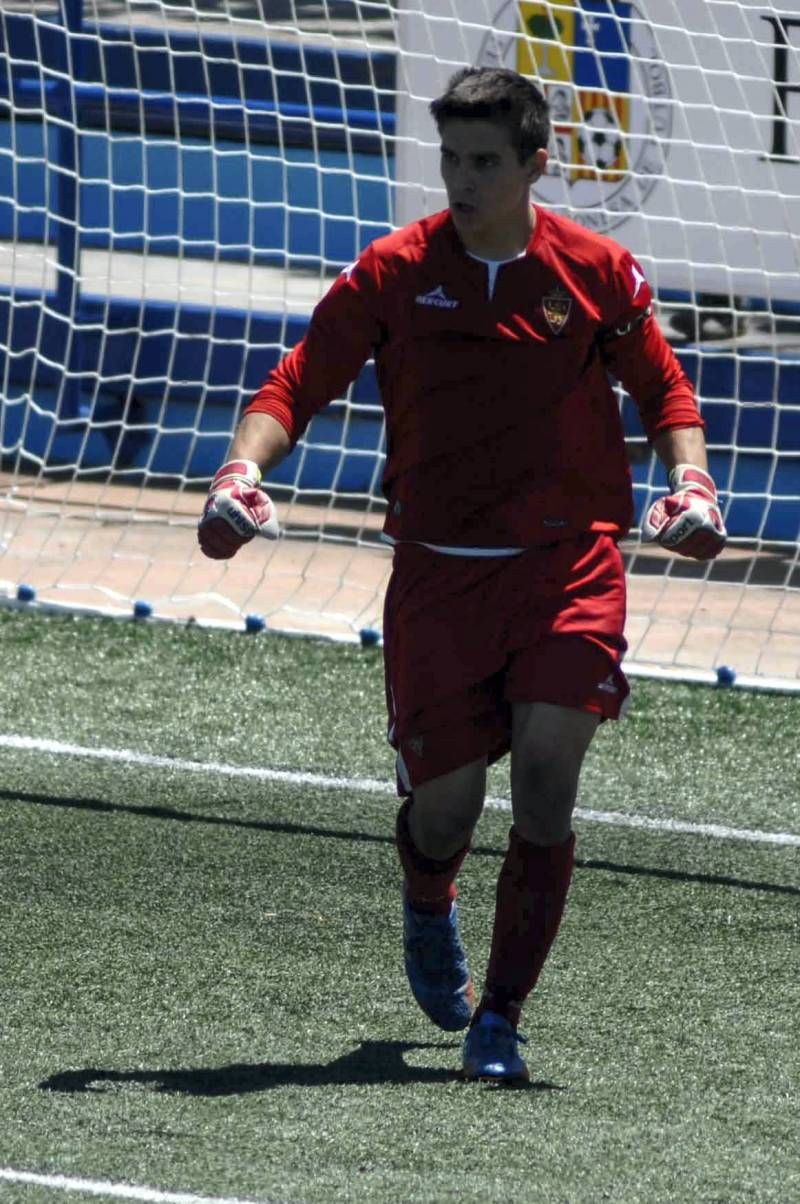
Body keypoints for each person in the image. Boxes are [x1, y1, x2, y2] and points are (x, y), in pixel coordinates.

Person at [197, 67, 726, 1085]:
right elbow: (298, 379)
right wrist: (242, 471)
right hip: (439, 577)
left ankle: (502, 1017)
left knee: (542, 780)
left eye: (483, 161)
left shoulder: (595, 271)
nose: (461, 179)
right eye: (449, 159)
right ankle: (427, 896)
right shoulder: (394, 272)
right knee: (444, 809)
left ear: (536, 164)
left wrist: (690, 485)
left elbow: (663, 389)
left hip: (568, 568)